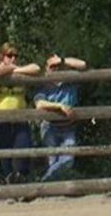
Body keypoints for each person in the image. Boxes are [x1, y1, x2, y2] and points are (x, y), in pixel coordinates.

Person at [0, 43, 40, 184]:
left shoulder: (21, 70)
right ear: (2, 56)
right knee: (5, 155)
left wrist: (15, 70)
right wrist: (10, 69)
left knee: (24, 149)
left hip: (20, 117)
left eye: (15, 56)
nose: (13, 58)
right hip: (0, 118)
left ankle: (20, 181)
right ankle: (11, 185)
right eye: (9, 55)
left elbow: (37, 68)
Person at [34, 53, 86, 181]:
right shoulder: (44, 85)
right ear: (46, 69)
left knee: (68, 160)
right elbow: (39, 104)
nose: (55, 69)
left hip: (69, 128)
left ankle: (44, 182)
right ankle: (52, 188)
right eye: (52, 66)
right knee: (53, 161)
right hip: (49, 126)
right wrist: (59, 106)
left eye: (58, 66)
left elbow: (83, 65)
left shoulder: (70, 81)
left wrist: (62, 60)